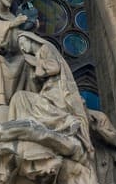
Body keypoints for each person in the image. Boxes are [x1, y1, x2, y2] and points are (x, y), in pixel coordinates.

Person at [8, 32, 93, 161]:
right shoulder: (38, 54)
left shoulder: (45, 48)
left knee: (22, 98)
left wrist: (37, 63)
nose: (23, 48)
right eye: (20, 46)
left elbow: (54, 67)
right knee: (23, 99)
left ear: (31, 39)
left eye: (23, 43)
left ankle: (68, 120)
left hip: (57, 90)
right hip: (48, 89)